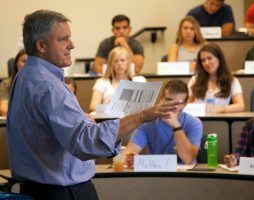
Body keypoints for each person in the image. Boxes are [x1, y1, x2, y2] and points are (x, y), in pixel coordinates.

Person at [7, 9, 180, 200]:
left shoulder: (25, 76)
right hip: (63, 193)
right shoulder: (49, 86)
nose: (72, 45)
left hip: (34, 190)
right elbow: (86, 142)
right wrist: (141, 116)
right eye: (63, 39)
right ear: (41, 45)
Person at [125, 80, 202, 166]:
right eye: (168, 100)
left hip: (185, 175)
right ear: (161, 99)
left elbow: (188, 159)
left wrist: (176, 126)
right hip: (157, 174)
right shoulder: (148, 122)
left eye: (178, 103)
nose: (172, 106)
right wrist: (131, 159)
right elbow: (128, 153)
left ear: (184, 104)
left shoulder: (194, 123)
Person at [188, 43, 245, 113]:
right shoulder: (195, 80)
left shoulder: (231, 81)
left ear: (219, 59)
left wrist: (222, 109)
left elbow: (240, 106)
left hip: (220, 121)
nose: (206, 63)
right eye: (203, 60)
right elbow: (187, 105)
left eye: (209, 58)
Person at [89, 46, 146, 111]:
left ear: (128, 62)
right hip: (108, 118)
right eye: (115, 61)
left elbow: (145, 106)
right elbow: (93, 107)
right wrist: (107, 106)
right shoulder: (102, 82)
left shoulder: (139, 81)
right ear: (111, 64)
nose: (119, 64)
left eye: (122, 60)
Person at [0, 49, 27, 116]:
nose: (27, 65)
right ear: (16, 64)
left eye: (30, 62)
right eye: (24, 61)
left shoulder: (43, 84)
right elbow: (4, 110)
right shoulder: (6, 84)